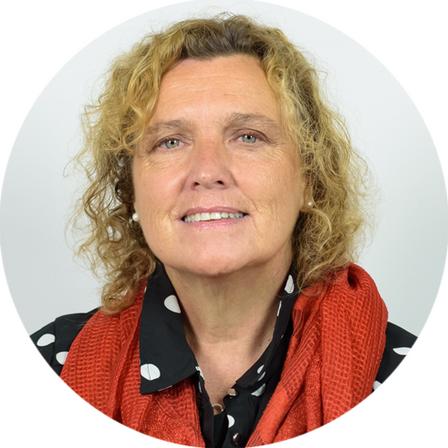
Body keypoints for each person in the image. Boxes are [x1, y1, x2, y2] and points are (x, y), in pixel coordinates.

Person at [31, 14, 416, 447]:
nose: (207, 170)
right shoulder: (47, 369)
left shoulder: (409, 379)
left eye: (248, 137)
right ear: (131, 190)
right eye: (170, 141)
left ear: (309, 180)